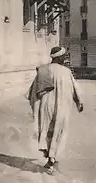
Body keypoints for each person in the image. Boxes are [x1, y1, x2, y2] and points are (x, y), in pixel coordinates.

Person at [26, 46, 84, 175]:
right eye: (64, 57)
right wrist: (78, 102)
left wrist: (36, 105)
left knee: (47, 130)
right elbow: (74, 88)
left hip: (46, 106)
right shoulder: (65, 72)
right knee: (59, 131)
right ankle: (52, 159)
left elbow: (33, 91)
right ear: (59, 57)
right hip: (62, 106)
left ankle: (49, 156)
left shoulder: (43, 70)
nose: (65, 59)